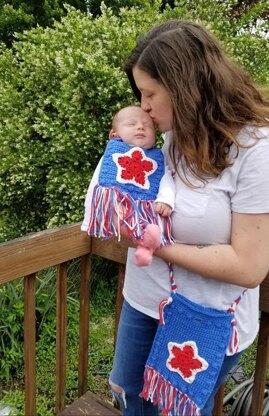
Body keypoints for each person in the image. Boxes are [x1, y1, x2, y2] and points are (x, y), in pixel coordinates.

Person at [106, 19, 269, 416]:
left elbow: (249, 267)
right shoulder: (173, 132)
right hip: (143, 302)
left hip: (206, 320)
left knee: (164, 409)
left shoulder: (255, 149)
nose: (142, 106)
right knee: (130, 396)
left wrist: (158, 246)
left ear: (185, 86)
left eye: (149, 93)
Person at [81, 105, 175, 266]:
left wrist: (166, 200)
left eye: (147, 126)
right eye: (132, 124)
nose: (140, 127)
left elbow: (167, 180)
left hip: (147, 209)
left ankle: (147, 244)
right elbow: (98, 186)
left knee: (156, 224)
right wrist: (91, 217)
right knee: (118, 217)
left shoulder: (158, 158)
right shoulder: (112, 155)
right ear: (114, 134)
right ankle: (145, 242)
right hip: (120, 206)